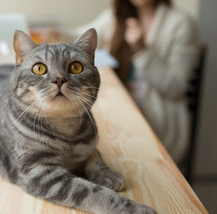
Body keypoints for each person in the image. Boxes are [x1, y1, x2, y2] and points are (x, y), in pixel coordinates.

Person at [69, 0, 200, 163]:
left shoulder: (180, 23)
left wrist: (142, 50)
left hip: (157, 118)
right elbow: (82, 35)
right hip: (121, 105)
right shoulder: (115, 15)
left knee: (96, 143)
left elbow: (176, 87)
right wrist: (53, 31)